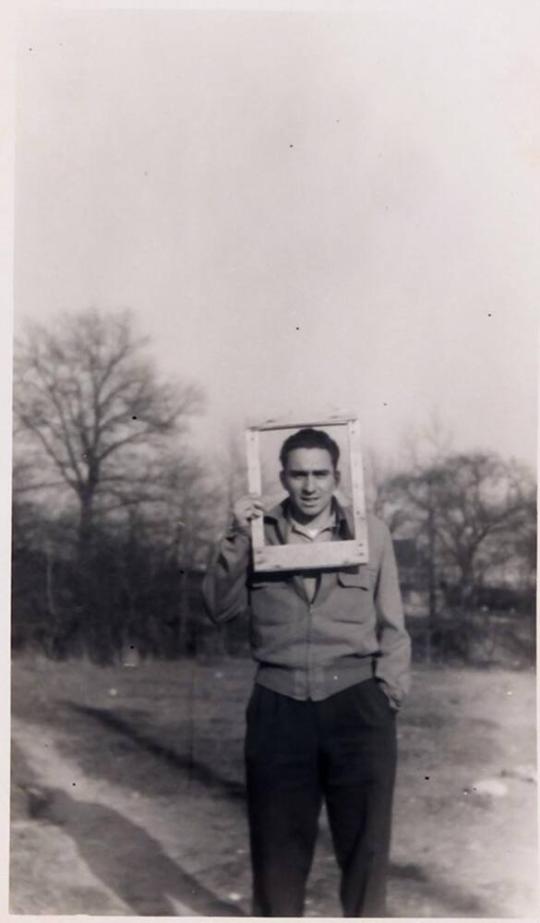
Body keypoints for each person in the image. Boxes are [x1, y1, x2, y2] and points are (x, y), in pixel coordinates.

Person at [202, 427, 411, 917]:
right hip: (280, 708)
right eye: (299, 474)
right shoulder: (257, 532)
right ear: (282, 477)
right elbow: (217, 608)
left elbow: (393, 624)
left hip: (358, 705)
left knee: (366, 854)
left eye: (320, 473)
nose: (310, 486)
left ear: (337, 476)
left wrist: (389, 694)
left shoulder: (372, 533)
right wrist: (234, 535)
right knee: (277, 854)